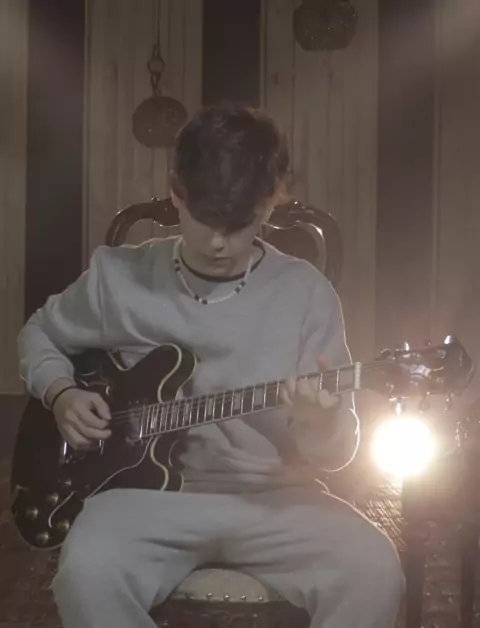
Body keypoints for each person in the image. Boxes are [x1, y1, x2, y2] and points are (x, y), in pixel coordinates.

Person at [18, 103, 404, 628]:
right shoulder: (119, 276)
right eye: (204, 219)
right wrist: (61, 392)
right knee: (85, 574)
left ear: (270, 202)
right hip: (140, 499)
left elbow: (336, 455)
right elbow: (39, 332)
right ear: (177, 192)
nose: (219, 242)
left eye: (239, 224)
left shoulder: (306, 294)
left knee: (375, 570)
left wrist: (322, 424)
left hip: (276, 499)